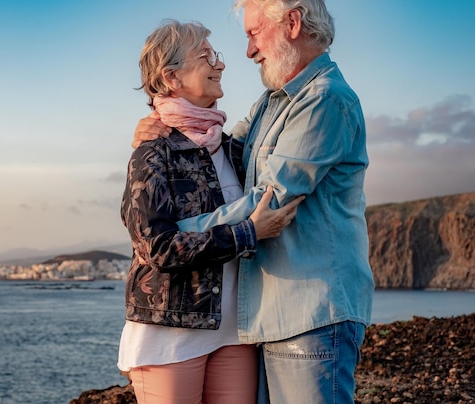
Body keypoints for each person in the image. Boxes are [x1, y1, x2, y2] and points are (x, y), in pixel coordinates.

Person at [132, 1, 375, 403]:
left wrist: (174, 237)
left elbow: (271, 199)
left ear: (293, 23)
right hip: (275, 315)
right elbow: (226, 147)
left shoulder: (325, 100)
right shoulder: (272, 102)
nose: (247, 51)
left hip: (313, 311)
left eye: (253, 33)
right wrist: (160, 127)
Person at [118, 20, 304, 404]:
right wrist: (247, 234)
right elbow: (157, 246)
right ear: (171, 77)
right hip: (170, 333)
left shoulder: (236, 151)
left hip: (236, 331)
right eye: (206, 56)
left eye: (215, 55)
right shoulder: (153, 153)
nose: (220, 65)